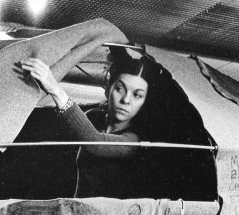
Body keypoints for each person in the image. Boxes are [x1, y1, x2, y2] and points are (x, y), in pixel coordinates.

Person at [19, 49, 162, 198]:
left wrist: (55, 89)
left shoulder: (134, 139)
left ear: (145, 103)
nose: (126, 100)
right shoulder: (94, 117)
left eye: (137, 95)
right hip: (79, 211)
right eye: (120, 89)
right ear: (108, 89)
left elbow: (96, 143)